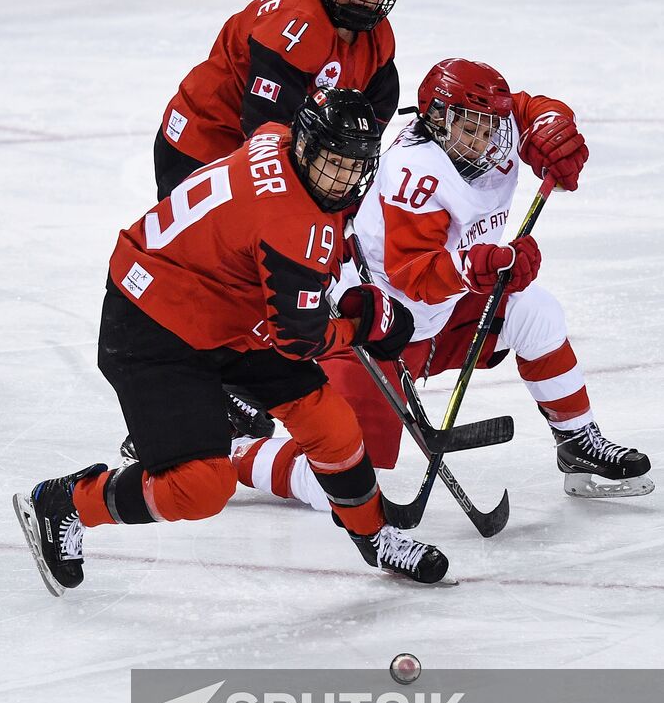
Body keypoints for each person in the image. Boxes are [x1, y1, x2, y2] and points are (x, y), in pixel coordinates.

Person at [13, 89, 452, 598]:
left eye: (355, 165)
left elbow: (284, 250)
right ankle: (66, 502)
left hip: (222, 308)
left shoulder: (278, 139)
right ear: (308, 147)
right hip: (153, 323)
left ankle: (374, 535)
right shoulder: (291, 223)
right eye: (333, 163)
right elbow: (300, 339)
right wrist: (363, 328)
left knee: (328, 420)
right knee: (200, 488)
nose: (344, 179)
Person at [230, 59, 653, 511]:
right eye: (471, 129)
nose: (486, 139)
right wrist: (484, 265)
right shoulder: (415, 173)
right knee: (337, 486)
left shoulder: (490, 130)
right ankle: (230, 451)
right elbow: (415, 276)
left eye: (491, 127)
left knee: (535, 312)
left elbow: (529, 110)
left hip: (444, 316)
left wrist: (553, 128)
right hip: (372, 329)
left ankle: (578, 445)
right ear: (437, 119)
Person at [154, 0, 404, 201]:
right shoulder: (293, 26)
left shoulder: (378, 37)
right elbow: (265, 129)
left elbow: (376, 108)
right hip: (203, 143)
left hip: (251, 144)